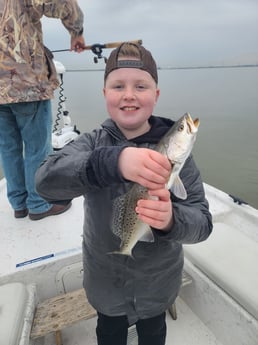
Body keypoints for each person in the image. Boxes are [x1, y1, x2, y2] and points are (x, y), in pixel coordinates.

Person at [35, 42, 213, 344]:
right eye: (118, 85)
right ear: (105, 94)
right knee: (109, 333)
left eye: (140, 86)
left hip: (159, 283)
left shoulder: (180, 163)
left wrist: (172, 220)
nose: (129, 94)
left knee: (154, 333)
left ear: (155, 96)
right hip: (105, 282)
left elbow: (202, 224)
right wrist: (111, 162)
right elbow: (44, 183)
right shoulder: (92, 145)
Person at [0, 0, 85, 220]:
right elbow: (61, 3)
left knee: (8, 149)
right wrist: (76, 32)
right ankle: (38, 204)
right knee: (37, 148)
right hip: (26, 82)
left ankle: (19, 204)